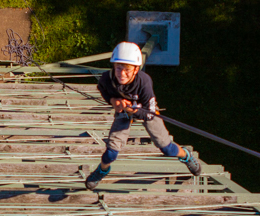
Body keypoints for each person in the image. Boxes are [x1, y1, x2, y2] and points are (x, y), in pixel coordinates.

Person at [85, 41, 201, 190]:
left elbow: (150, 113)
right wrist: (113, 101)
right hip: (124, 110)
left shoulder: (144, 82)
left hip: (145, 110)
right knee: (111, 153)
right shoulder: (107, 78)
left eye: (127, 69)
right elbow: (103, 89)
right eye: (118, 68)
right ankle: (103, 169)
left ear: (136, 69)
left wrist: (135, 111)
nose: (121, 74)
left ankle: (186, 155)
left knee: (166, 148)